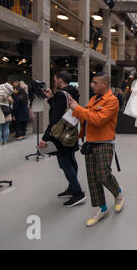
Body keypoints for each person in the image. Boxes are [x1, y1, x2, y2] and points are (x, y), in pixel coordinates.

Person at [68, 72, 124, 227]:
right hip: (90, 142)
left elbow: (98, 120)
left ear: (105, 84)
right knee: (92, 179)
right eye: (93, 82)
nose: (92, 85)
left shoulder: (112, 101)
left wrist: (78, 109)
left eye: (95, 83)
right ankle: (102, 208)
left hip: (105, 142)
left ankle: (118, 193)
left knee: (103, 173)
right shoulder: (94, 99)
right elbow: (86, 117)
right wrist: (75, 110)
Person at [39, 71, 86, 207]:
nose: (54, 82)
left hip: (60, 135)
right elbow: (62, 108)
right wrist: (51, 97)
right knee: (70, 159)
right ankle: (73, 187)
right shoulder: (72, 92)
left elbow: (55, 118)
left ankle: (77, 192)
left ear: (60, 80)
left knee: (64, 163)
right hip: (70, 132)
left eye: (55, 80)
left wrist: (45, 138)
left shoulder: (61, 95)